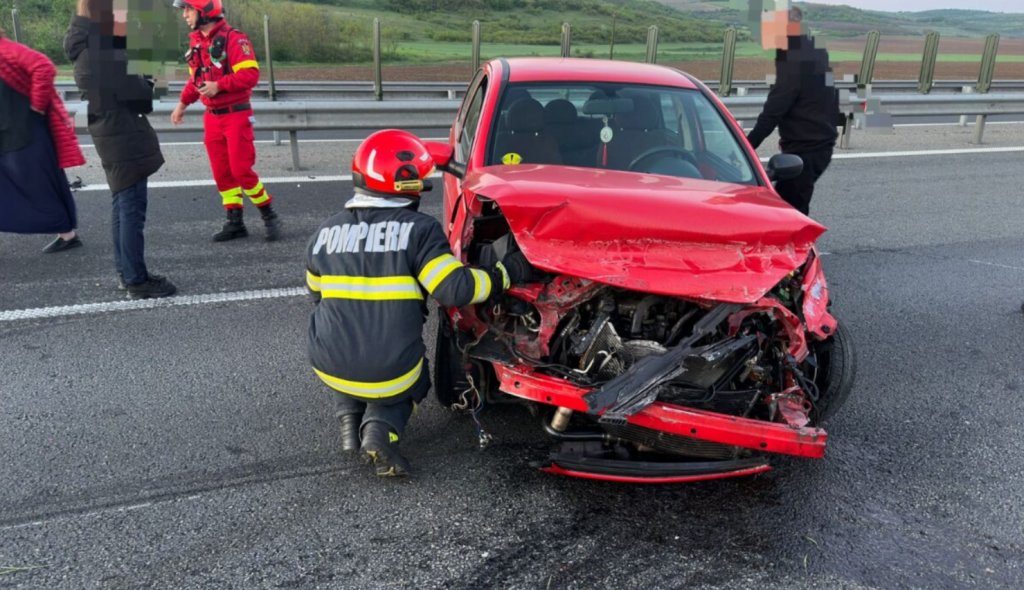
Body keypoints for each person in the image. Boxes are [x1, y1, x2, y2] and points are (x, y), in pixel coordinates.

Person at [305, 129, 529, 477]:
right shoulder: (420, 230)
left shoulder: (324, 232)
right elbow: (455, 289)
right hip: (387, 372)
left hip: (326, 363)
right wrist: (505, 272)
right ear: (409, 190)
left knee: (348, 354)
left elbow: (315, 294)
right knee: (413, 377)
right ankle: (381, 431)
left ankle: (350, 425)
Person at [65, 0, 177, 299]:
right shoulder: (103, 51)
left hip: (109, 130)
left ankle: (126, 272)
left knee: (122, 206)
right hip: (123, 134)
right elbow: (139, 97)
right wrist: (149, 80)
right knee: (130, 209)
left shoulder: (85, 45)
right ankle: (136, 279)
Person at [169, 0, 282, 242]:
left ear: (204, 12)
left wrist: (219, 85)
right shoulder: (197, 41)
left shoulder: (234, 38)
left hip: (236, 115)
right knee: (222, 173)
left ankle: (269, 215)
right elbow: (195, 80)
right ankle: (235, 222)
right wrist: (182, 104)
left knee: (241, 170)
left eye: (188, 10)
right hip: (212, 118)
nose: (184, 15)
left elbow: (250, 74)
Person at [746, 4, 839, 216]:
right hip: (819, 143)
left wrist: (747, 146)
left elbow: (775, 108)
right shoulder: (812, 49)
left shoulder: (795, 59)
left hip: (807, 148)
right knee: (791, 205)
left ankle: (800, 248)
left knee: (788, 211)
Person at [0, 26, 86, 253]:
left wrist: (37, 106)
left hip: (23, 131)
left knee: (39, 183)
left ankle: (67, 234)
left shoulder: (5, 49)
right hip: (11, 131)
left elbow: (43, 66)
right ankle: (67, 234)